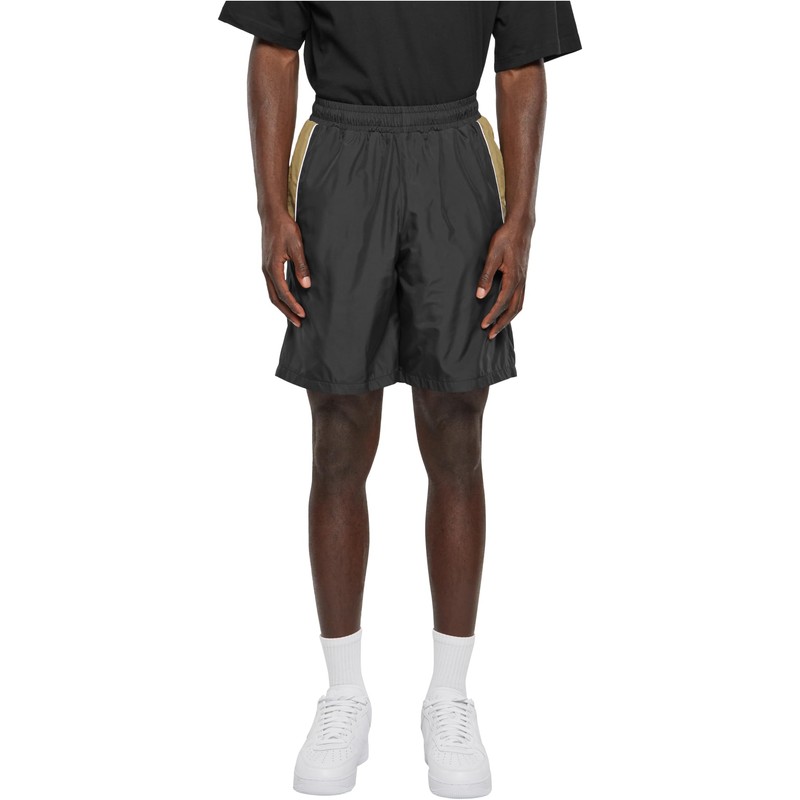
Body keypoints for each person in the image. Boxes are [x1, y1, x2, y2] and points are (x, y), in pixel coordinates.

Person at [218, 2, 581, 796]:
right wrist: (272, 211)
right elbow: (273, 49)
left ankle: (449, 697)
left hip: (456, 155)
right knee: (339, 430)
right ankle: (344, 694)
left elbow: (522, 64)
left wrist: (521, 220)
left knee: (456, 428)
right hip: (342, 153)